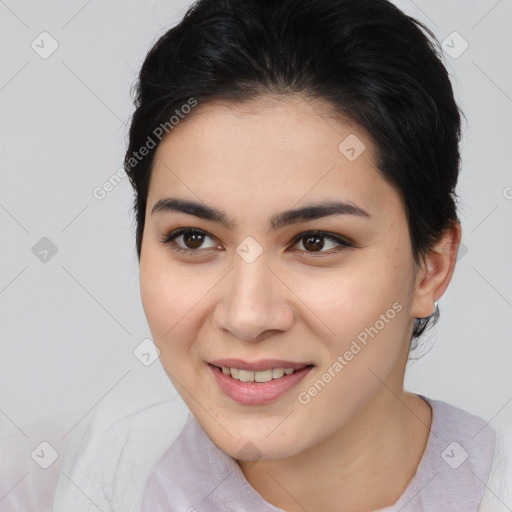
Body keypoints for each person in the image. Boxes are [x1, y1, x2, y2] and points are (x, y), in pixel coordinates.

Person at [51, 0, 512, 511]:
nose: (247, 316)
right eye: (194, 238)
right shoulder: (99, 477)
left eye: (316, 241)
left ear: (432, 266)